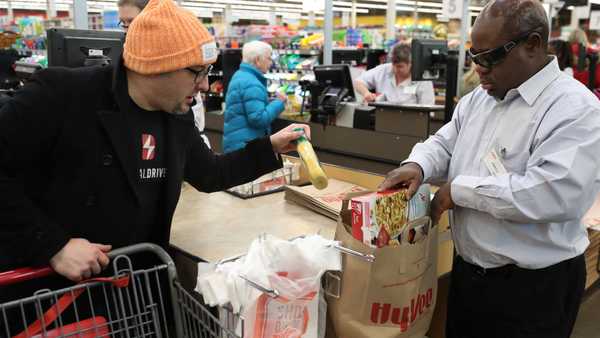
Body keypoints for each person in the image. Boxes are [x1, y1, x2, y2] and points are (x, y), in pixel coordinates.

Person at [0, 0, 309, 283]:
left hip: (136, 289)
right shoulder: (62, 95)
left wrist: (271, 146)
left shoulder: (176, 114)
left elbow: (210, 173)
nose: (204, 85)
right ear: (156, 66)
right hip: (51, 291)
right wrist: (53, 244)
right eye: (197, 72)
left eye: (208, 71)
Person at [379, 1, 600, 337]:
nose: (479, 68)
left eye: (490, 56)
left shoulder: (575, 110)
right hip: (470, 276)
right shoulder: (479, 99)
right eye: (474, 56)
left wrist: (460, 191)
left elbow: (553, 193)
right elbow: (445, 141)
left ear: (533, 44)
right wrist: (418, 165)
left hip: (533, 290)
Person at [222, 40, 287, 153]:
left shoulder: (240, 75)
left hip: (236, 143)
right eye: (269, 58)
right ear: (257, 60)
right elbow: (258, 119)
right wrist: (279, 103)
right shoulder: (252, 83)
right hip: (246, 146)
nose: (271, 62)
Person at [354, 43, 435, 105]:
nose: (395, 70)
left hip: (411, 121)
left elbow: (428, 110)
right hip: (383, 119)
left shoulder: (423, 79)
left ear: (411, 64)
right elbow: (358, 82)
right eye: (394, 65)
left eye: (400, 67)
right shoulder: (384, 69)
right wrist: (366, 93)